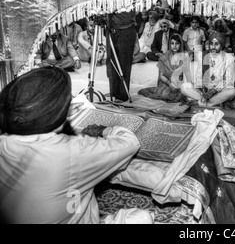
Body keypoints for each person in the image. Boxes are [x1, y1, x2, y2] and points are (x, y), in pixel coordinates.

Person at [0, 67, 149, 224]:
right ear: (56, 112)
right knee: (141, 218)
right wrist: (104, 130)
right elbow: (129, 143)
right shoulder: (72, 150)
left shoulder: (4, 141)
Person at [180, 32, 235, 107]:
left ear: (221, 45)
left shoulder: (229, 58)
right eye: (211, 44)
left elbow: (227, 80)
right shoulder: (202, 56)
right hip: (204, 90)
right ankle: (211, 103)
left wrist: (213, 91)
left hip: (219, 90)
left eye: (216, 44)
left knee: (232, 91)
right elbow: (199, 75)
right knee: (184, 87)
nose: (213, 47)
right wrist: (202, 89)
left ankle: (203, 103)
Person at [138, 33, 188, 102]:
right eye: (172, 43)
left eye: (177, 43)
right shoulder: (165, 57)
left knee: (186, 93)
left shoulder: (184, 57)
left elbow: (186, 74)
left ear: (181, 44)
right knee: (166, 94)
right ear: (169, 45)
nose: (174, 46)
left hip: (179, 82)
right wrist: (170, 83)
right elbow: (161, 76)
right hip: (166, 82)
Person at [105, 9, 137, 102]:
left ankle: (123, 95)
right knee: (112, 61)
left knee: (124, 63)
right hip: (112, 30)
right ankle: (115, 91)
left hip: (125, 29)